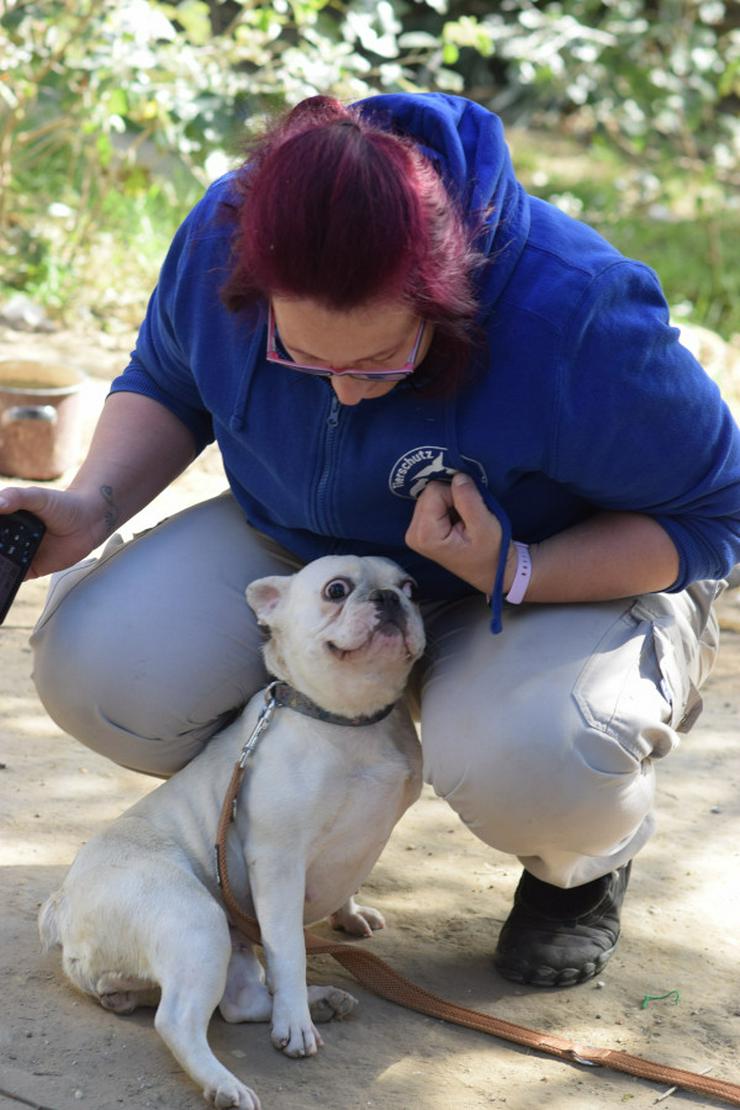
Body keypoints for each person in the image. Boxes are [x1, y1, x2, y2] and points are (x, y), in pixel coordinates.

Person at [2, 93, 739, 988]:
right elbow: (167, 376)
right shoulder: (220, 234)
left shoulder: (575, 308)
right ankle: (302, 816)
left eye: (383, 363)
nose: (345, 397)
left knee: (536, 758)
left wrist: (517, 566)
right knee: (103, 673)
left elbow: (714, 514)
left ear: (451, 299)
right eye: (305, 361)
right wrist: (94, 500)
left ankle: (575, 870)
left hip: (543, 575)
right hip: (308, 551)